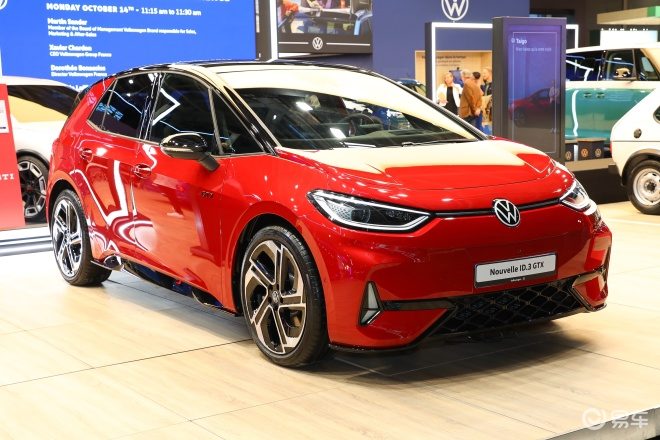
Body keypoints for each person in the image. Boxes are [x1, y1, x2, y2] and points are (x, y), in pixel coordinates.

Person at [481, 67, 493, 135]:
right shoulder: (485, 85)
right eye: (482, 73)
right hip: (486, 111)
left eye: (485, 73)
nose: (483, 75)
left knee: (491, 130)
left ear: (490, 73)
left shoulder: (494, 84)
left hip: (492, 111)